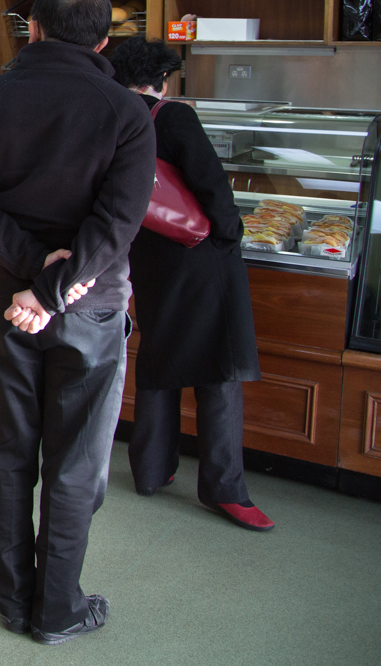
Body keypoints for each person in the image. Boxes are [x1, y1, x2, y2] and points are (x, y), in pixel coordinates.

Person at [0, 0, 156, 646]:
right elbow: (118, 221)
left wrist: (33, 282)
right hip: (89, 309)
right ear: (102, 40)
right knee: (75, 461)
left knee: (10, 450)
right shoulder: (126, 112)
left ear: (30, 30)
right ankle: (57, 606)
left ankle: (11, 594)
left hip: (10, 300)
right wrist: (57, 286)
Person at [108, 36, 273, 532]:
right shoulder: (172, 116)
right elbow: (212, 186)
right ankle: (225, 488)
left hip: (146, 255)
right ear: (162, 77)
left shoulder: (111, 115)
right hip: (199, 256)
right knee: (218, 367)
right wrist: (230, 235)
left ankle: (151, 469)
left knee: (160, 353)